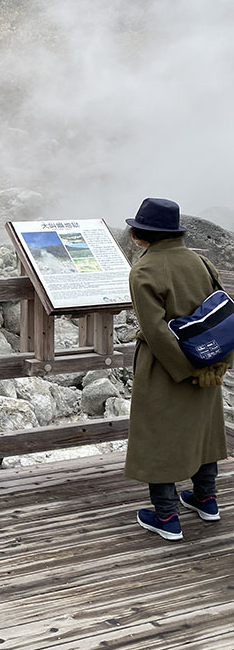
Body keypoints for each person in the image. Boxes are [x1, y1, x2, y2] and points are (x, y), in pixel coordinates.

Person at [125, 197, 229, 542]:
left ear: (142, 234)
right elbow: (224, 314)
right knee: (203, 430)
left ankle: (167, 516)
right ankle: (206, 501)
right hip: (207, 362)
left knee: (158, 435)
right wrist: (213, 365)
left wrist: (184, 369)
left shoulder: (143, 271)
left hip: (166, 367)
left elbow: (156, 331)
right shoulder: (200, 261)